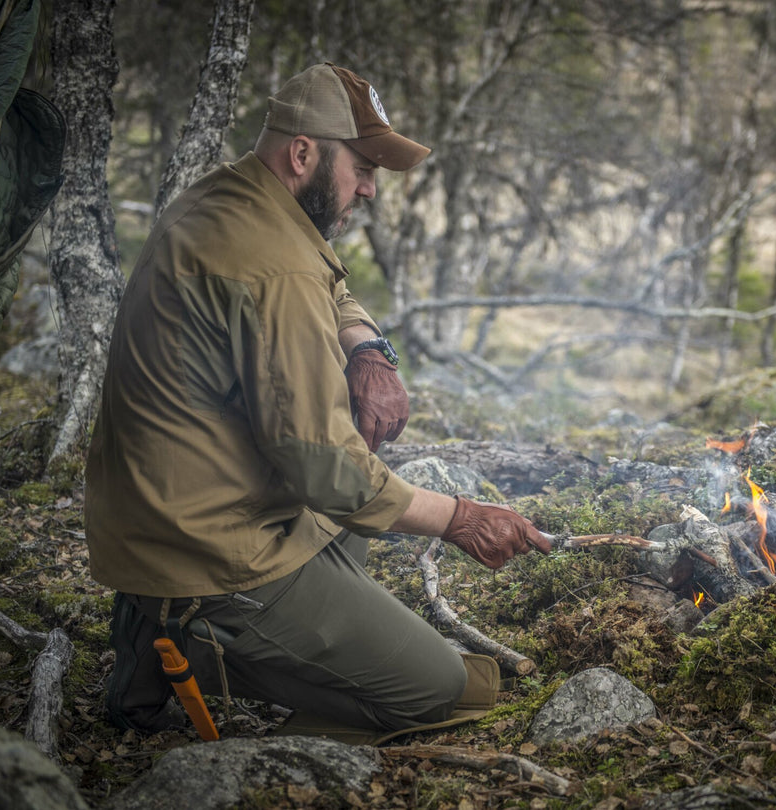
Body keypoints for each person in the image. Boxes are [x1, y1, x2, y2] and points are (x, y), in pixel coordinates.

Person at [84, 63, 552, 741]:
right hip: (211, 554)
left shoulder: (234, 198)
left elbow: (329, 283)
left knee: (362, 513)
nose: (369, 188)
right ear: (303, 153)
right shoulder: (276, 268)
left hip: (172, 516)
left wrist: (367, 351)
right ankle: (192, 646)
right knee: (444, 689)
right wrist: (461, 517)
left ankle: (173, 623)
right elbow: (328, 469)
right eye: (361, 167)